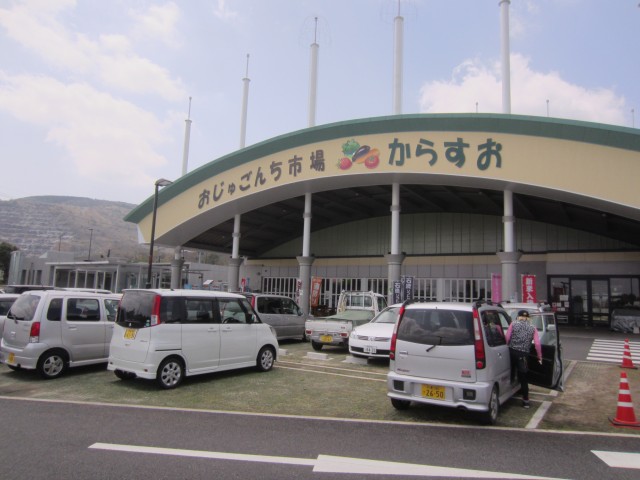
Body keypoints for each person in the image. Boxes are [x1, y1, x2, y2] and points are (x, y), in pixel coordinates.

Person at [505, 310, 542, 409]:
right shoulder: (532, 328)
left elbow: (507, 338)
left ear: (518, 317)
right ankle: (526, 401)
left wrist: (506, 345)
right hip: (523, 355)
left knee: (510, 372)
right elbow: (537, 344)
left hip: (512, 352)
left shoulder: (513, 324)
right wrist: (539, 356)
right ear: (528, 318)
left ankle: (507, 393)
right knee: (523, 378)